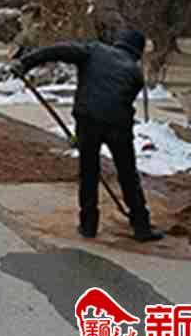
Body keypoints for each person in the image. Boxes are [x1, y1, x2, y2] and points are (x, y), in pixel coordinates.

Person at [9, 29, 164, 242]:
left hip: (88, 121)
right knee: (128, 174)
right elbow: (120, 98)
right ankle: (141, 226)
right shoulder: (135, 72)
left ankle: (88, 225)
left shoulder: (94, 51)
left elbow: (59, 50)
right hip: (119, 125)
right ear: (137, 51)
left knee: (89, 172)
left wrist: (25, 63)